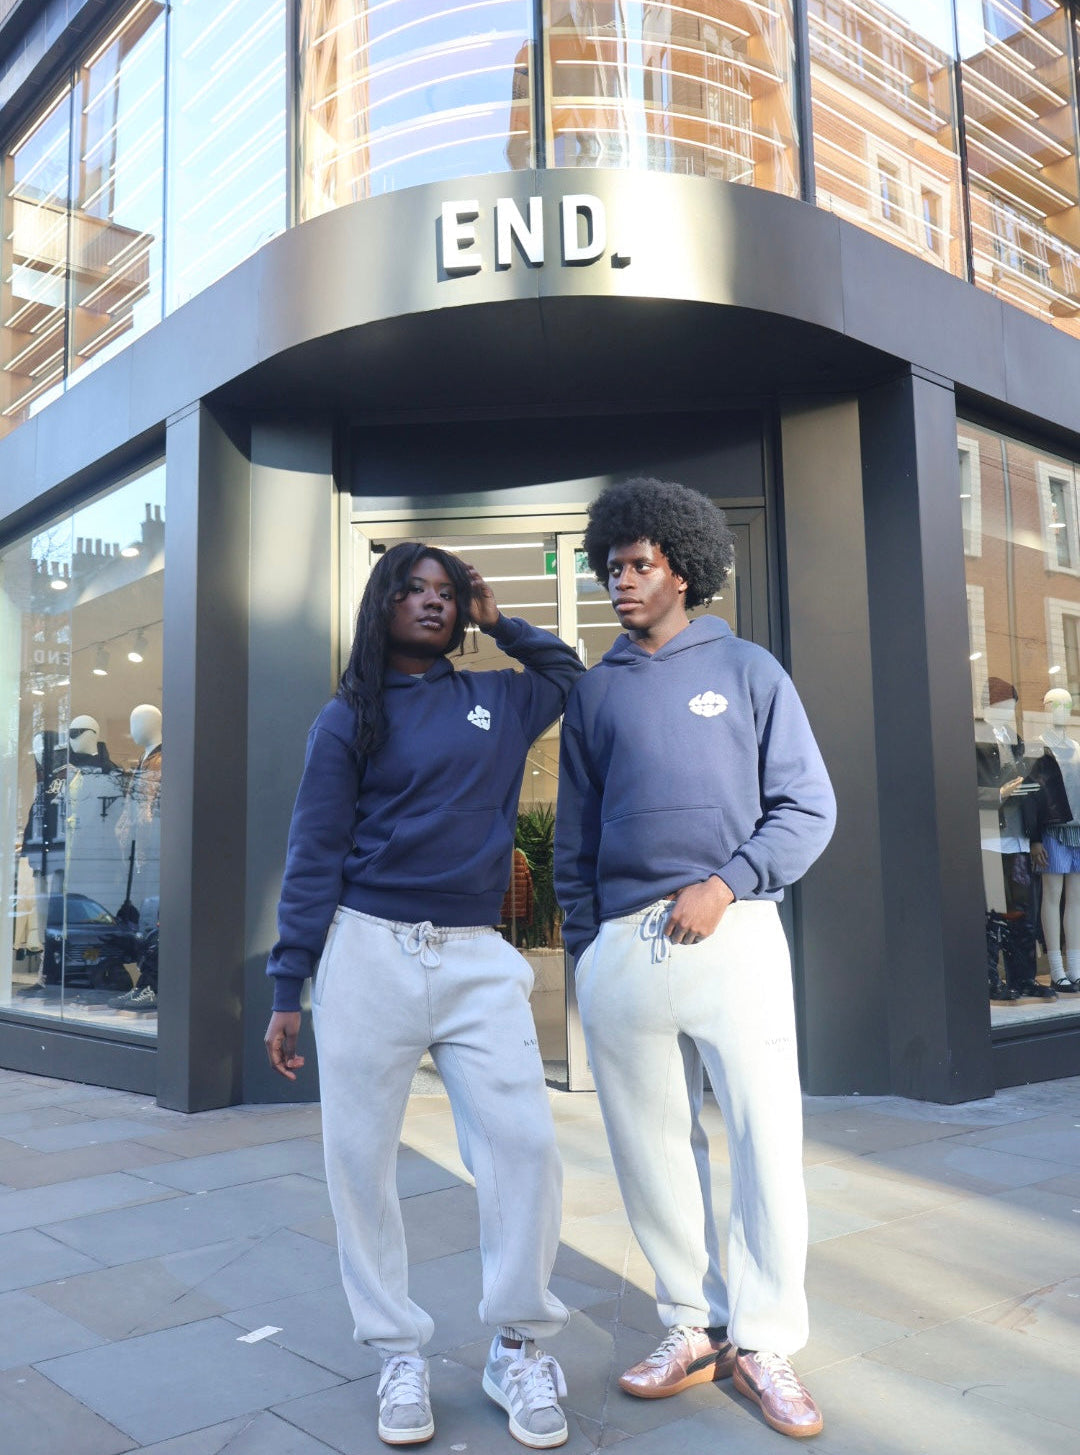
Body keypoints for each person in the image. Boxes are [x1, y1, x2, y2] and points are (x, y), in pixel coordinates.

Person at [264, 542, 581, 1450]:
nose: (434, 602)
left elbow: (569, 674)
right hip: (368, 949)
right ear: (383, 604)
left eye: (447, 592)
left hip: (478, 955)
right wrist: (289, 984)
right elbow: (314, 851)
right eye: (415, 588)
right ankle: (397, 1350)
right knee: (359, 1162)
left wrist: (499, 618)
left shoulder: (497, 698)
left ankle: (517, 1344)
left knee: (524, 1145)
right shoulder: (347, 718)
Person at [554, 479, 836, 1440]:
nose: (621, 581)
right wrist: (588, 948)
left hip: (734, 928)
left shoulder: (749, 669)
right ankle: (692, 1321)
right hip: (625, 948)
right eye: (610, 567)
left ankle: (764, 1339)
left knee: (766, 1139)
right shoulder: (595, 691)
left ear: (683, 569)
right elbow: (574, 836)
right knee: (651, 1150)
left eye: (638, 563)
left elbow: (807, 806)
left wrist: (728, 882)